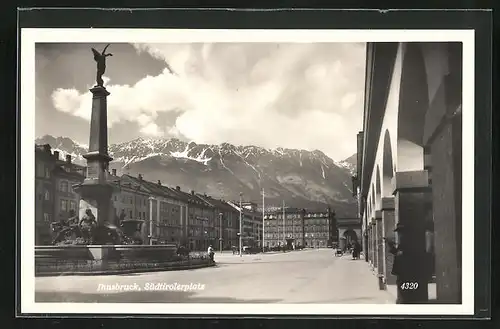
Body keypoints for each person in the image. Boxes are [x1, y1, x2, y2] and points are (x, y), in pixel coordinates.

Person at [385, 222, 432, 304]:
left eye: (400, 232)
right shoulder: (406, 241)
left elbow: (401, 254)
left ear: (405, 232)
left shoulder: (407, 242)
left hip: (406, 273)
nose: (399, 234)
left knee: (406, 293)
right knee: (405, 292)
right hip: (405, 273)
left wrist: (391, 247)